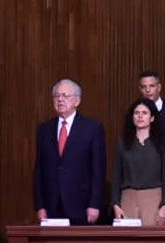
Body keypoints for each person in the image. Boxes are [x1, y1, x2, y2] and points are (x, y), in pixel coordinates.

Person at [33, 79, 106, 225]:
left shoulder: (92, 128)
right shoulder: (44, 129)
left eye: (65, 96)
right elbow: (39, 170)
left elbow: (98, 170)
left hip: (81, 204)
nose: (60, 99)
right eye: (56, 96)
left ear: (77, 101)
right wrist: (40, 206)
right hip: (51, 204)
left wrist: (94, 204)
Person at [111, 98, 165, 226]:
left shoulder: (162, 143)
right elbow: (117, 175)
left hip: (154, 198)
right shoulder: (123, 143)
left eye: (144, 113)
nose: (140, 116)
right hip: (128, 198)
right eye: (136, 113)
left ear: (152, 118)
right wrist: (115, 204)